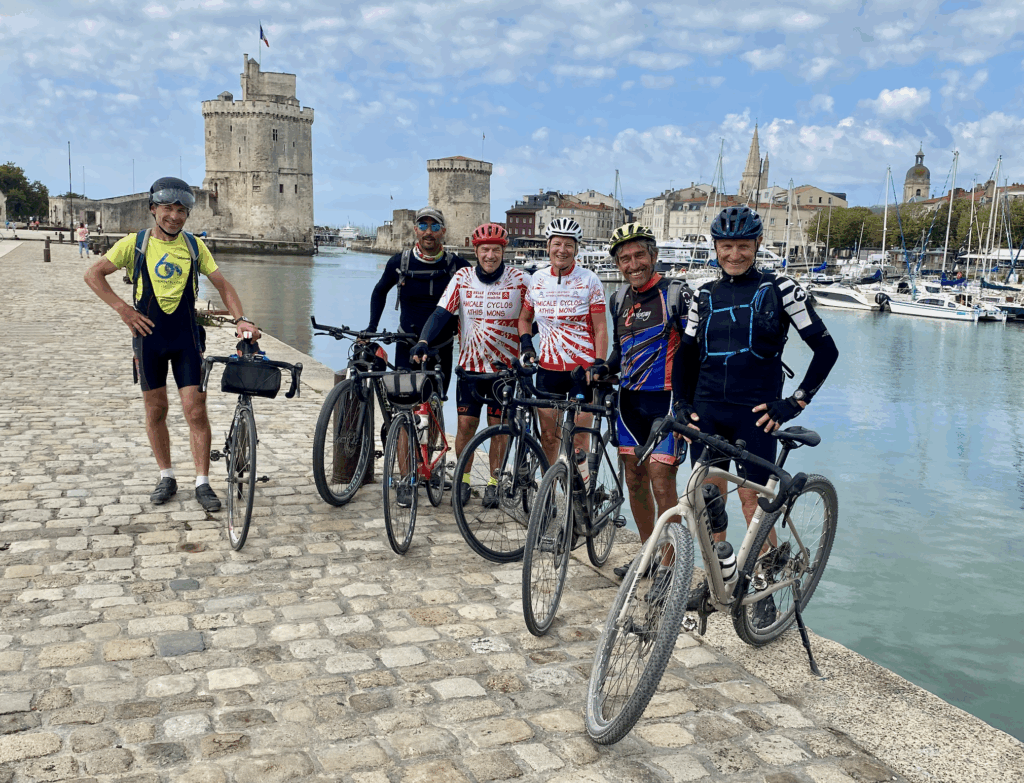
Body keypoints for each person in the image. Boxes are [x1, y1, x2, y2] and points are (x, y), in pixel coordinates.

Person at [676, 205, 839, 624]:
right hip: (709, 411)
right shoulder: (703, 294)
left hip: (758, 414)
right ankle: (722, 575)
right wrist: (682, 404)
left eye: (743, 246)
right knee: (707, 499)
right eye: (726, 247)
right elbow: (688, 355)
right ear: (715, 248)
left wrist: (794, 402)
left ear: (757, 245)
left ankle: (764, 580)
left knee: (753, 505)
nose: (734, 255)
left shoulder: (781, 288)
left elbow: (826, 349)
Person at [84, 176, 263, 512]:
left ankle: (202, 481)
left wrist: (241, 320)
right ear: (153, 209)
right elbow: (93, 275)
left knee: (195, 410)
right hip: (148, 340)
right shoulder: (134, 244)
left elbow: (223, 286)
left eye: (181, 210)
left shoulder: (195, 247)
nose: (174, 216)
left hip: (186, 339)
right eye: (167, 208)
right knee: (156, 410)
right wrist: (124, 310)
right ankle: (166, 475)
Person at [595, 223, 693, 578]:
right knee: (634, 479)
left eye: (639, 255)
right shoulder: (619, 299)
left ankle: (671, 563)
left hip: (666, 401)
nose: (633, 264)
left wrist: (689, 404)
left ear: (653, 255)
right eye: (625, 258)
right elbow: (621, 352)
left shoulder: (677, 295)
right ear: (618, 264)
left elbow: (695, 353)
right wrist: (602, 368)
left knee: (662, 481)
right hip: (628, 403)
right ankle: (647, 552)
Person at [411, 223, 531, 507]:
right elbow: (441, 313)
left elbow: (540, 317)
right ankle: (463, 481)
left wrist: (527, 346)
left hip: (505, 371)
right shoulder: (462, 278)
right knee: (466, 426)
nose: (491, 256)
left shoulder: (521, 279)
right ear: (476, 251)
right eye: (485, 250)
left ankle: (493, 482)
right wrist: (424, 341)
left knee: (498, 426)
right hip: (470, 368)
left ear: (504, 251)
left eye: (496, 250)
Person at [517, 217, 608, 467]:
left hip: (582, 371)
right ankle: (550, 499)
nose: (562, 250)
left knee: (579, 443)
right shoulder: (537, 279)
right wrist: (527, 345)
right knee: (548, 439)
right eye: (557, 243)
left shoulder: (589, 279)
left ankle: (580, 498)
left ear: (576, 249)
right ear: (548, 246)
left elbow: (600, 327)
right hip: (548, 370)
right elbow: (524, 319)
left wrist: (599, 363)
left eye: (569, 245)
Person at [363, 206, 470, 396]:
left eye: (435, 227)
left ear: (443, 231)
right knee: (404, 405)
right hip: (407, 344)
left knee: (435, 406)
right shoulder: (399, 263)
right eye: (423, 225)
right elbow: (379, 292)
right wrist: (371, 328)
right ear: (416, 230)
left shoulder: (458, 267)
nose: (428, 232)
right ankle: (400, 426)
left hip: (441, 347)